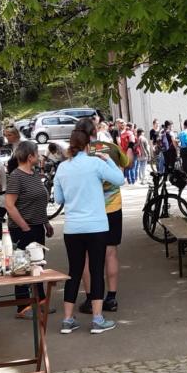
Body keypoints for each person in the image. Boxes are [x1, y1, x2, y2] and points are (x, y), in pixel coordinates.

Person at [53, 129, 125, 334]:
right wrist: (107, 160)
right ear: (88, 145)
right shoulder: (95, 163)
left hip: (72, 227)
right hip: (96, 225)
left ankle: (67, 319)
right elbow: (119, 179)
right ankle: (97, 318)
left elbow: (58, 199)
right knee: (95, 270)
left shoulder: (62, 168)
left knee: (74, 271)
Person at [75, 118, 129, 314]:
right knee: (110, 253)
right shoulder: (109, 147)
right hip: (113, 208)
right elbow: (126, 163)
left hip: (90, 210)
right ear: (95, 132)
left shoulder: (78, 155)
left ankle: (90, 299)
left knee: (88, 256)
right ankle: (111, 297)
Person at [4, 141, 54, 318]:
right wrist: (24, 226)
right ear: (29, 156)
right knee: (23, 266)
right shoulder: (16, 176)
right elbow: (9, 205)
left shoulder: (33, 174)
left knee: (38, 263)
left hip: (37, 226)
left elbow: (39, 201)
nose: (39, 156)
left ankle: (40, 301)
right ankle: (23, 307)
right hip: (22, 229)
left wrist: (45, 222)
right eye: (36, 153)